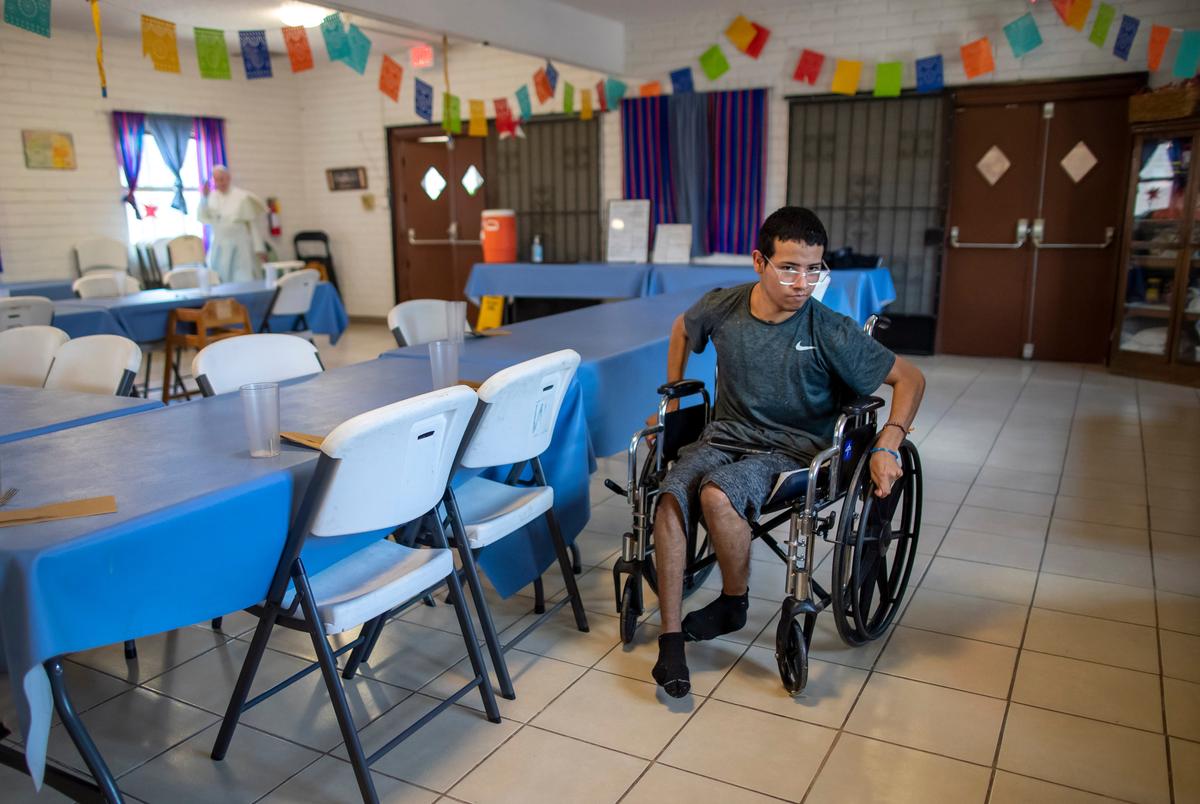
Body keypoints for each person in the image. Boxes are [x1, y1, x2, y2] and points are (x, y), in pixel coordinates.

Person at [648, 206, 926, 698]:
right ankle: (671, 638)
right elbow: (680, 329)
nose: (804, 282)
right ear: (759, 262)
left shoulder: (827, 328)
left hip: (793, 451)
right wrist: (671, 396)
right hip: (724, 436)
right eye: (791, 267)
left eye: (814, 269)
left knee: (716, 495)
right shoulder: (724, 306)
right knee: (670, 495)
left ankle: (734, 602)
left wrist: (889, 441)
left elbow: (910, 377)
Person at [198, 166, 268, 283]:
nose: (221, 182)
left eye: (223, 179)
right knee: (221, 280)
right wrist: (204, 197)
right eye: (217, 180)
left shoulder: (242, 196)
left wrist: (259, 248)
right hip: (220, 246)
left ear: (228, 178)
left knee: (243, 278)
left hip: (240, 245)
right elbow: (203, 217)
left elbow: (253, 225)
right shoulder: (210, 197)